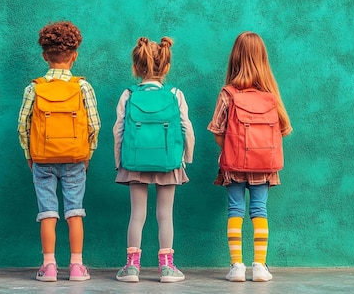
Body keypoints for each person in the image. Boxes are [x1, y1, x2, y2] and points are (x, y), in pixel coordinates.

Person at [17, 21, 101, 282]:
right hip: (75, 158)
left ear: (44, 55)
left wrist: (29, 155)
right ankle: (77, 266)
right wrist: (87, 153)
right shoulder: (83, 87)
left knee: (48, 212)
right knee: (75, 211)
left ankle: (49, 265)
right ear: (75, 55)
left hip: (42, 159)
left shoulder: (34, 87)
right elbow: (94, 125)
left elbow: (23, 126)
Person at [207, 31, 292, 282]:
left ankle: (236, 266)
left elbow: (217, 132)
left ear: (235, 58)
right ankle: (259, 266)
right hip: (264, 168)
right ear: (263, 60)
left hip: (234, 166)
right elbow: (283, 131)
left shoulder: (228, 94)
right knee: (259, 211)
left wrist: (236, 146)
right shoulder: (271, 96)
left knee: (235, 211)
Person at [113, 37, 195, 283]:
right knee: (165, 215)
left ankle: (131, 267)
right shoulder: (175, 94)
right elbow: (186, 128)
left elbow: (118, 130)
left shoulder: (128, 94)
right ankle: (167, 267)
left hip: (135, 161)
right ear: (166, 67)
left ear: (136, 68)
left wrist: (120, 161)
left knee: (137, 214)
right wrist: (185, 158)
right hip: (168, 161)